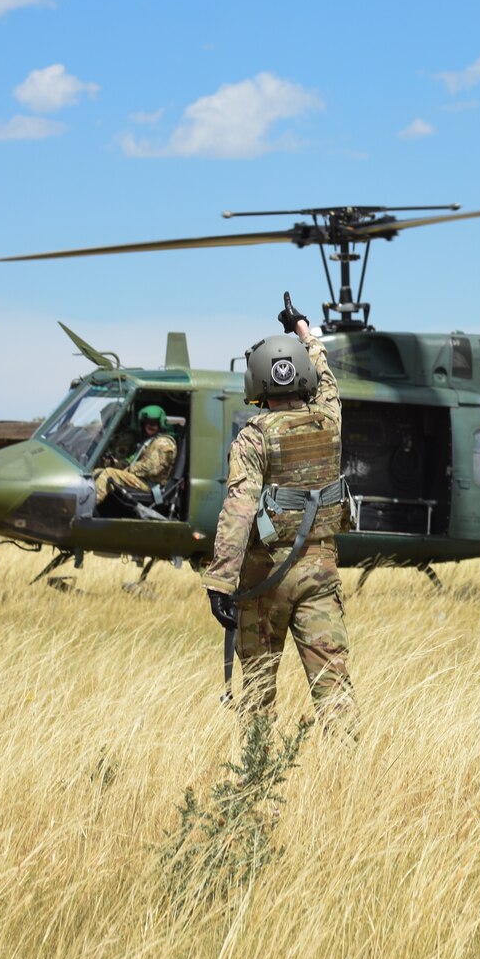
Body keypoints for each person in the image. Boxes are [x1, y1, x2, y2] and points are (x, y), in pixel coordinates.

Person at [202, 312, 357, 734]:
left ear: (257, 382)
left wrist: (220, 582)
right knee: (335, 692)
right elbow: (327, 379)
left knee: (256, 697)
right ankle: (350, 781)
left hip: (264, 578)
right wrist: (306, 333)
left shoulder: (253, 437)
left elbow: (238, 510)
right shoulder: (329, 420)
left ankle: (258, 780)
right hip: (319, 575)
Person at [93, 404, 175, 506]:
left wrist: (130, 469)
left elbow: (151, 469)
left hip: (150, 485)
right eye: (147, 422)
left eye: (154, 423)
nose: (150, 425)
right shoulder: (151, 441)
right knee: (96, 472)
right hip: (142, 479)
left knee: (109, 474)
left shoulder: (163, 443)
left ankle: (89, 506)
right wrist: (122, 464)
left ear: (161, 423)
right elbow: (138, 461)